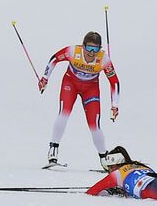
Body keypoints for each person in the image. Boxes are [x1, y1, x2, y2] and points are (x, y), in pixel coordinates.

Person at [39, 30, 121, 170]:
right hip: (70, 84)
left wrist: (115, 105)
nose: (91, 52)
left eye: (95, 49)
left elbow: (114, 82)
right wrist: (45, 78)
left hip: (91, 89)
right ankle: (53, 151)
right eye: (89, 48)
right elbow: (54, 59)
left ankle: (104, 159)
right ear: (83, 46)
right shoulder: (73, 52)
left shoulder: (104, 60)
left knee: (94, 124)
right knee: (64, 114)